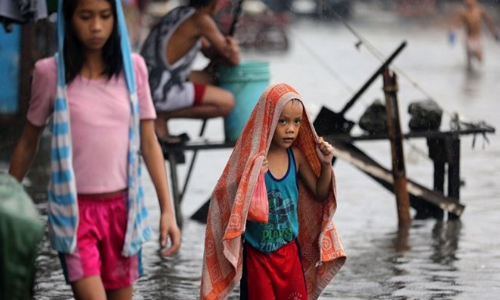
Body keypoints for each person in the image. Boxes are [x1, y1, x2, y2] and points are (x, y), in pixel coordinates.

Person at [8, 0, 181, 299]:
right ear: (69, 19)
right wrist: (5, 202)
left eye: (104, 16)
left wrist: (168, 210)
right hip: (74, 214)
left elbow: (149, 142)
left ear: (116, 19)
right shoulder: (51, 74)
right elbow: (28, 142)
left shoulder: (133, 69)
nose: (96, 27)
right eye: (85, 17)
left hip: (124, 214)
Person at [200, 83, 346, 300]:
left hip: (289, 254)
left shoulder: (296, 158)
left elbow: (319, 192)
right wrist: (252, 177)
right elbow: (230, 198)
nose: (291, 129)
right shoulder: (252, 161)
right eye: (283, 121)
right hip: (257, 257)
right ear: (268, 120)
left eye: (297, 122)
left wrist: (325, 165)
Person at [140, 0, 240, 144]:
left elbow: (208, 51)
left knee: (212, 77)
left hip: (150, 83)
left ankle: (161, 114)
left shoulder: (180, 13)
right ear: (214, 4)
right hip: (160, 91)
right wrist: (233, 48)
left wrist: (220, 52)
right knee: (227, 102)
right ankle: (162, 116)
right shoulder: (201, 20)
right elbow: (233, 59)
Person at [450, 0, 499, 69]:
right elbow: (456, 23)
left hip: (477, 38)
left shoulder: (480, 11)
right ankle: (469, 74)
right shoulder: (464, 13)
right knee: (469, 61)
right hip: (468, 38)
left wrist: (494, 32)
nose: (468, 2)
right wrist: (453, 33)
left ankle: (473, 61)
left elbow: (488, 21)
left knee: (480, 58)